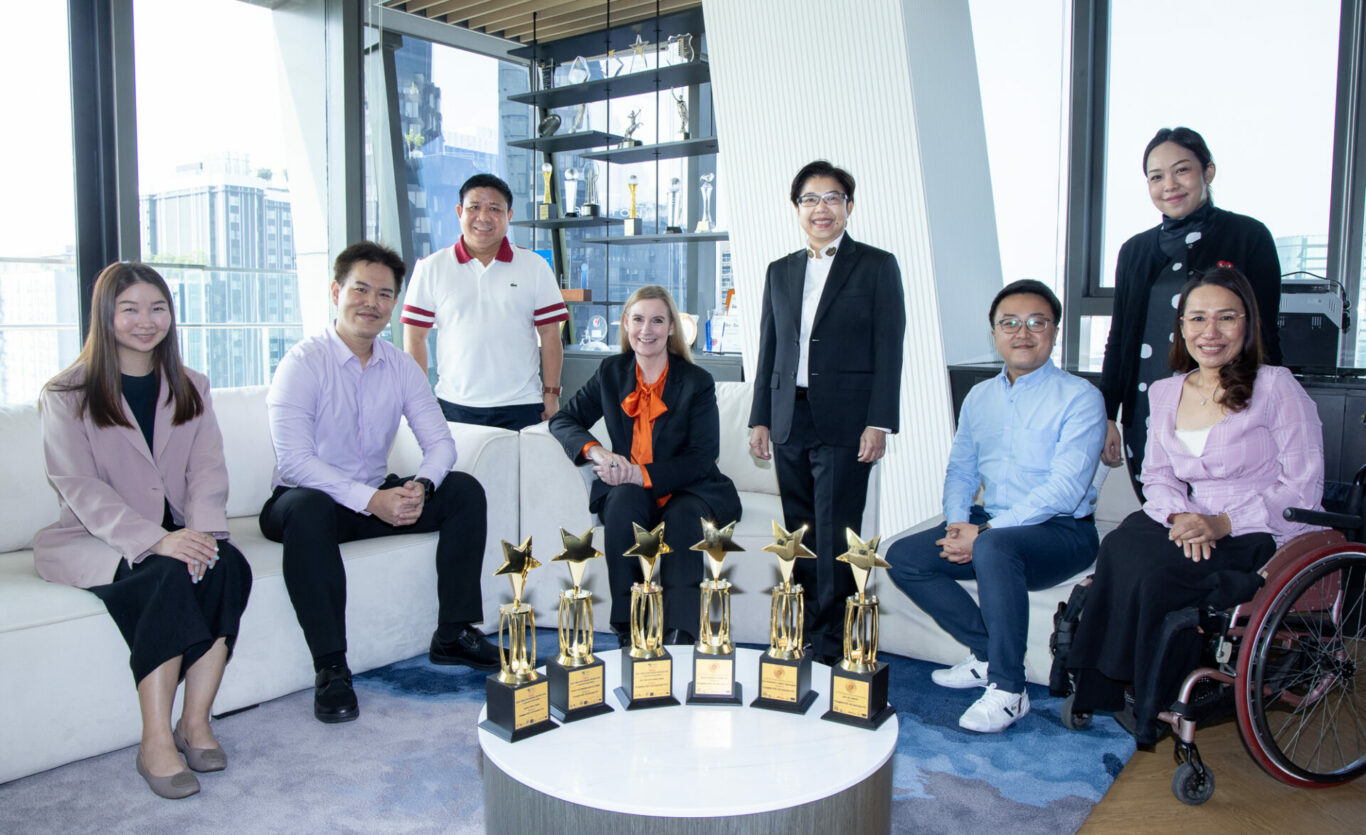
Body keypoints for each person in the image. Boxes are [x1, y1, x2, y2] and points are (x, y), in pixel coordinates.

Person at [1070, 267, 1323, 744]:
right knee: (1121, 547)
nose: (1211, 332)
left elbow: (1303, 488)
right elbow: (1158, 475)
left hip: (1259, 527)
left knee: (1160, 573)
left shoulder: (1276, 387)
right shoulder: (1166, 392)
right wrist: (1179, 516)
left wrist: (1223, 522)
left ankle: (1155, 695)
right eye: (1198, 318)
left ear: (1248, 324)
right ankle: (1109, 685)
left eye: (1226, 317)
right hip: (1187, 516)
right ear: (1182, 326)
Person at [35, 262, 252, 799]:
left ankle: (194, 723)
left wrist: (203, 533)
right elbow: (79, 485)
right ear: (105, 316)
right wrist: (156, 540)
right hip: (98, 538)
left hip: (176, 527)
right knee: (167, 577)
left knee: (227, 566)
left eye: (157, 308)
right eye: (129, 309)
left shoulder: (191, 385)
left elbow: (208, 469)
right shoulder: (66, 393)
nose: (145, 321)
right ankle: (154, 741)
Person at [260, 242, 499, 725]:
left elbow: (440, 443)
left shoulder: (400, 365)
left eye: (384, 294)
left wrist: (421, 486)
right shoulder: (302, 363)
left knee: (463, 490)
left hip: (374, 494)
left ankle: (452, 633)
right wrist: (371, 499)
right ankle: (331, 667)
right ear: (336, 292)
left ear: (394, 303)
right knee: (308, 509)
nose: (371, 302)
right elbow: (296, 462)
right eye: (361, 289)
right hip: (305, 502)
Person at [885, 280, 1105, 733]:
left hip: (1062, 531)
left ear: (1055, 331)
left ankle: (1010, 689)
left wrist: (985, 533)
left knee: (994, 547)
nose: (1022, 333)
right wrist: (957, 523)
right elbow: (961, 470)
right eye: (1010, 323)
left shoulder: (1081, 397)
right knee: (903, 556)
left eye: (1037, 322)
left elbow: (1065, 490)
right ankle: (986, 654)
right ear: (994, 333)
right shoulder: (980, 397)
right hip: (994, 524)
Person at [748, 160, 906, 663]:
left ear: (849, 206)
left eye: (832, 198)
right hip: (788, 416)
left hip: (847, 420)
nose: (822, 208)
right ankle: (802, 632)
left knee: (837, 529)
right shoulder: (780, 270)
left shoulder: (877, 266)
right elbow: (769, 348)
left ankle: (834, 643)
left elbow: (889, 348)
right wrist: (760, 417)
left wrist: (879, 421)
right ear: (797, 208)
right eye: (811, 199)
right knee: (800, 532)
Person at [549, 286, 741, 646]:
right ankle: (630, 627)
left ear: (671, 328)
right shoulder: (610, 371)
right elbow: (563, 420)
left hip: (687, 487)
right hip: (631, 489)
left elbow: (702, 457)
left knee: (683, 517)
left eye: (657, 321)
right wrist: (597, 452)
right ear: (625, 323)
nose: (646, 330)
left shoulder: (697, 381)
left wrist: (641, 473)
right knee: (623, 503)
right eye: (638, 319)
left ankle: (680, 633)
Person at [1099, 127, 1282, 499]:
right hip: (1147, 406)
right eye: (1156, 177)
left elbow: (1264, 332)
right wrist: (1106, 416)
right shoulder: (1134, 251)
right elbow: (1120, 340)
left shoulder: (1249, 236)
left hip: (1229, 404)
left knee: (1223, 511)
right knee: (1162, 507)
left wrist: (1271, 407)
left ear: (1207, 171)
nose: (1169, 185)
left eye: (1181, 170)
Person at [401, 173, 568, 430]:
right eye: (474, 207)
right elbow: (414, 338)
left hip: (522, 405)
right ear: (460, 212)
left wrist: (552, 394)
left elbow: (550, 334)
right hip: (453, 405)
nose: (483, 217)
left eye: (494, 209)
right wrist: (421, 400)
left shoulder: (535, 266)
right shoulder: (430, 267)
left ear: (509, 216)